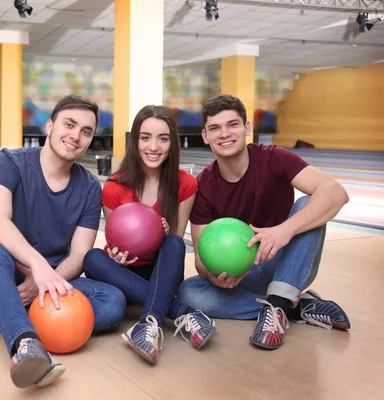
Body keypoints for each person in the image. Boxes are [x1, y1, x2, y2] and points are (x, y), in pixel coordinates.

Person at [0, 95, 127, 388]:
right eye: (69, 124)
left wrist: (46, 280)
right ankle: (26, 344)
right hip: (5, 272)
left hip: (55, 281)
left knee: (112, 302)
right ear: (50, 126)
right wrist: (38, 268)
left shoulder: (88, 187)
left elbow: (79, 255)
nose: (76, 135)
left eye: (86, 131)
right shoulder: (10, 162)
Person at [177, 94, 351, 350]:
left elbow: (336, 192)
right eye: (215, 128)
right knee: (189, 291)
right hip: (243, 273)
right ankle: (290, 307)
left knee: (308, 204)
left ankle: (281, 301)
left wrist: (284, 231)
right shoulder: (203, 186)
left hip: (285, 264)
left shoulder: (273, 158)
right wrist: (214, 277)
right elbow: (201, 260)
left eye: (232, 124)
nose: (224, 133)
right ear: (205, 136)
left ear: (247, 128)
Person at [82, 105, 216, 365]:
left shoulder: (186, 184)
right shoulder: (114, 187)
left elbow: (174, 246)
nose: (153, 147)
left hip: (161, 271)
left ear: (172, 143)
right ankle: (181, 312)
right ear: (135, 141)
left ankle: (147, 323)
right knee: (92, 258)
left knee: (175, 242)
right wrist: (119, 256)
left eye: (162, 139)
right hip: (124, 271)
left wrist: (162, 234)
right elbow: (115, 240)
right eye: (145, 137)